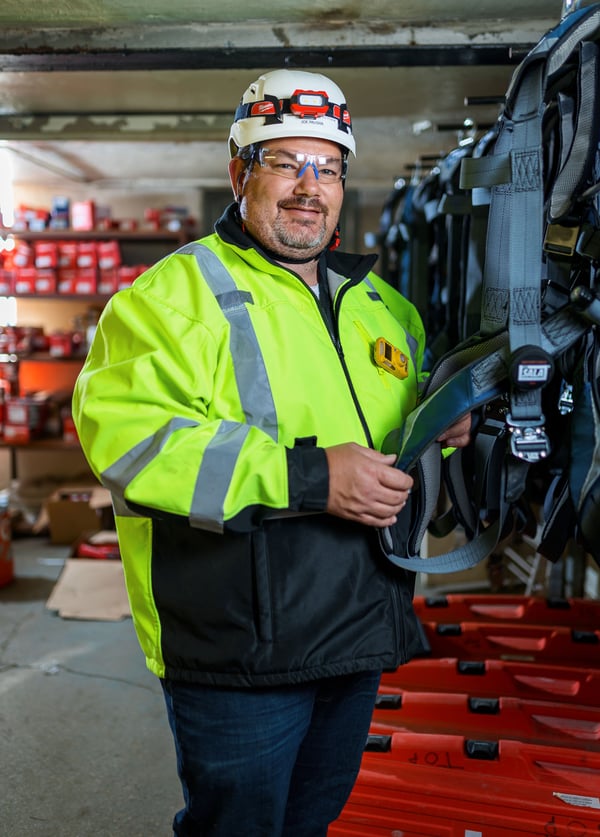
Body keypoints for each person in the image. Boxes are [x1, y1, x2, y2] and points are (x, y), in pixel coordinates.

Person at [72, 69, 471, 837]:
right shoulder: (168, 298)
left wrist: (441, 428)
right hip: (238, 651)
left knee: (310, 825)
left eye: (326, 167)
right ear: (239, 172)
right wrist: (315, 477)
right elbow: (129, 443)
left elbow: (402, 433)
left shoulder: (385, 310)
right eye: (285, 162)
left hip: (357, 633)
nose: (308, 187)